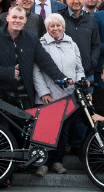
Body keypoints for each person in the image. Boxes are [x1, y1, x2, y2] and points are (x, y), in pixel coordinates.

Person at [0, 6, 66, 109]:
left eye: (21, 18)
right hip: (2, 97)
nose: (17, 21)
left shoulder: (32, 38)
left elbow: (45, 61)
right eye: (14, 17)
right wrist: (8, 72)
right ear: (7, 18)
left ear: (25, 20)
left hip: (26, 97)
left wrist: (62, 78)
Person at [34, 13, 84, 175]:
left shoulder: (72, 44)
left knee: (64, 131)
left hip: (68, 95)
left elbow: (79, 68)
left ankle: (57, 161)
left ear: (63, 26)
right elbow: (36, 71)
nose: (55, 29)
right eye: (51, 26)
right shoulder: (40, 44)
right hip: (48, 96)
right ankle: (43, 163)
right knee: (46, 131)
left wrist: (80, 83)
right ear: (47, 28)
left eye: (58, 25)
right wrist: (43, 92)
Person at [62, 0, 101, 79]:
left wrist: (92, 63)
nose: (76, 1)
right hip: (66, 73)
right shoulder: (59, 18)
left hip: (87, 73)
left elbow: (96, 44)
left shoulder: (90, 19)